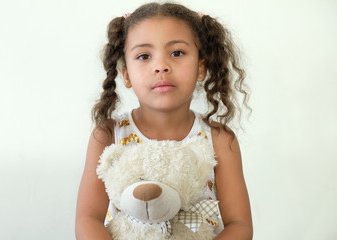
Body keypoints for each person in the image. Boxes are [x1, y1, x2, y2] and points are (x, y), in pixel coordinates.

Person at [75, 2, 253, 239]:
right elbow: (87, 219)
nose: (161, 66)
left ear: (201, 68)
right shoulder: (107, 135)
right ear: (126, 74)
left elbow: (239, 225)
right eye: (144, 56)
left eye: (177, 53)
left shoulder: (219, 138)